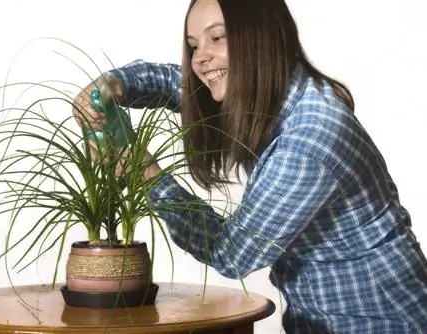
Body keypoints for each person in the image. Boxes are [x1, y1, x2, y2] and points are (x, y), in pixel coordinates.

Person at [72, 0, 427, 332]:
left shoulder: (309, 136)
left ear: (261, 38)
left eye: (218, 37)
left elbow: (235, 252)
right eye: (194, 45)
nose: (200, 59)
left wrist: (145, 172)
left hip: (379, 323)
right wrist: (118, 83)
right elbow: (183, 86)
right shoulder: (267, 95)